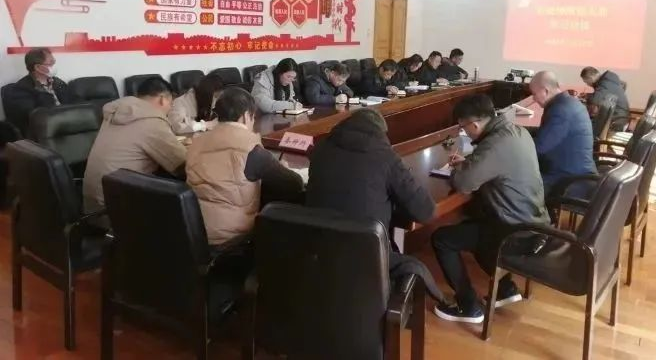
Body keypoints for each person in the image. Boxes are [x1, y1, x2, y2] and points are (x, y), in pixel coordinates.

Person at [432, 94, 549, 324]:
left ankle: (468, 306)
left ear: (474, 125)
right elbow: (495, 164)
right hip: (535, 221)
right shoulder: (516, 131)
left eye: (463, 128)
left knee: (442, 239)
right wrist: (470, 163)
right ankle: (505, 289)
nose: (465, 132)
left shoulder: (494, 144)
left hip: (515, 231)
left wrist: (459, 170)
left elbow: (463, 184)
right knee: (474, 228)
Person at [306, 109, 445, 302]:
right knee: (408, 263)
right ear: (381, 132)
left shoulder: (320, 149)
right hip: (366, 254)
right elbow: (425, 211)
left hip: (318, 250)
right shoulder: (385, 156)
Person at [186, 87, 304, 245]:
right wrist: (281, 167)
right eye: (253, 117)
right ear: (245, 116)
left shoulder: (196, 142)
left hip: (193, 232)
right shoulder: (250, 149)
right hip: (232, 239)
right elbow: (294, 184)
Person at [83, 77, 186, 216]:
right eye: (171, 104)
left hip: (93, 206)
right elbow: (182, 166)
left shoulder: (117, 112)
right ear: (163, 99)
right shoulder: (152, 120)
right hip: (119, 212)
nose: (169, 109)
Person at [530, 71, 597, 196]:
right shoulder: (568, 102)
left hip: (568, 181)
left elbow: (539, 147)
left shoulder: (560, 111)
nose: (534, 98)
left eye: (534, 94)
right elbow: (547, 134)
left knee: (513, 187)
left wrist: (516, 145)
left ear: (545, 91)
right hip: (575, 172)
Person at [4, 48, 70, 135]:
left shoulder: (58, 82)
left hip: (67, 124)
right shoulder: (21, 88)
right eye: (51, 63)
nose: (54, 66)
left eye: (54, 62)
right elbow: (34, 116)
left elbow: (72, 101)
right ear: (38, 67)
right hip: (46, 130)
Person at [580, 66, 630, 131]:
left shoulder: (605, 83)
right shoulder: (609, 81)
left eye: (586, 82)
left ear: (590, 78)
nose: (587, 84)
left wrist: (586, 96)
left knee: (585, 127)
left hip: (617, 120)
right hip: (619, 117)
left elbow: (595, 100)